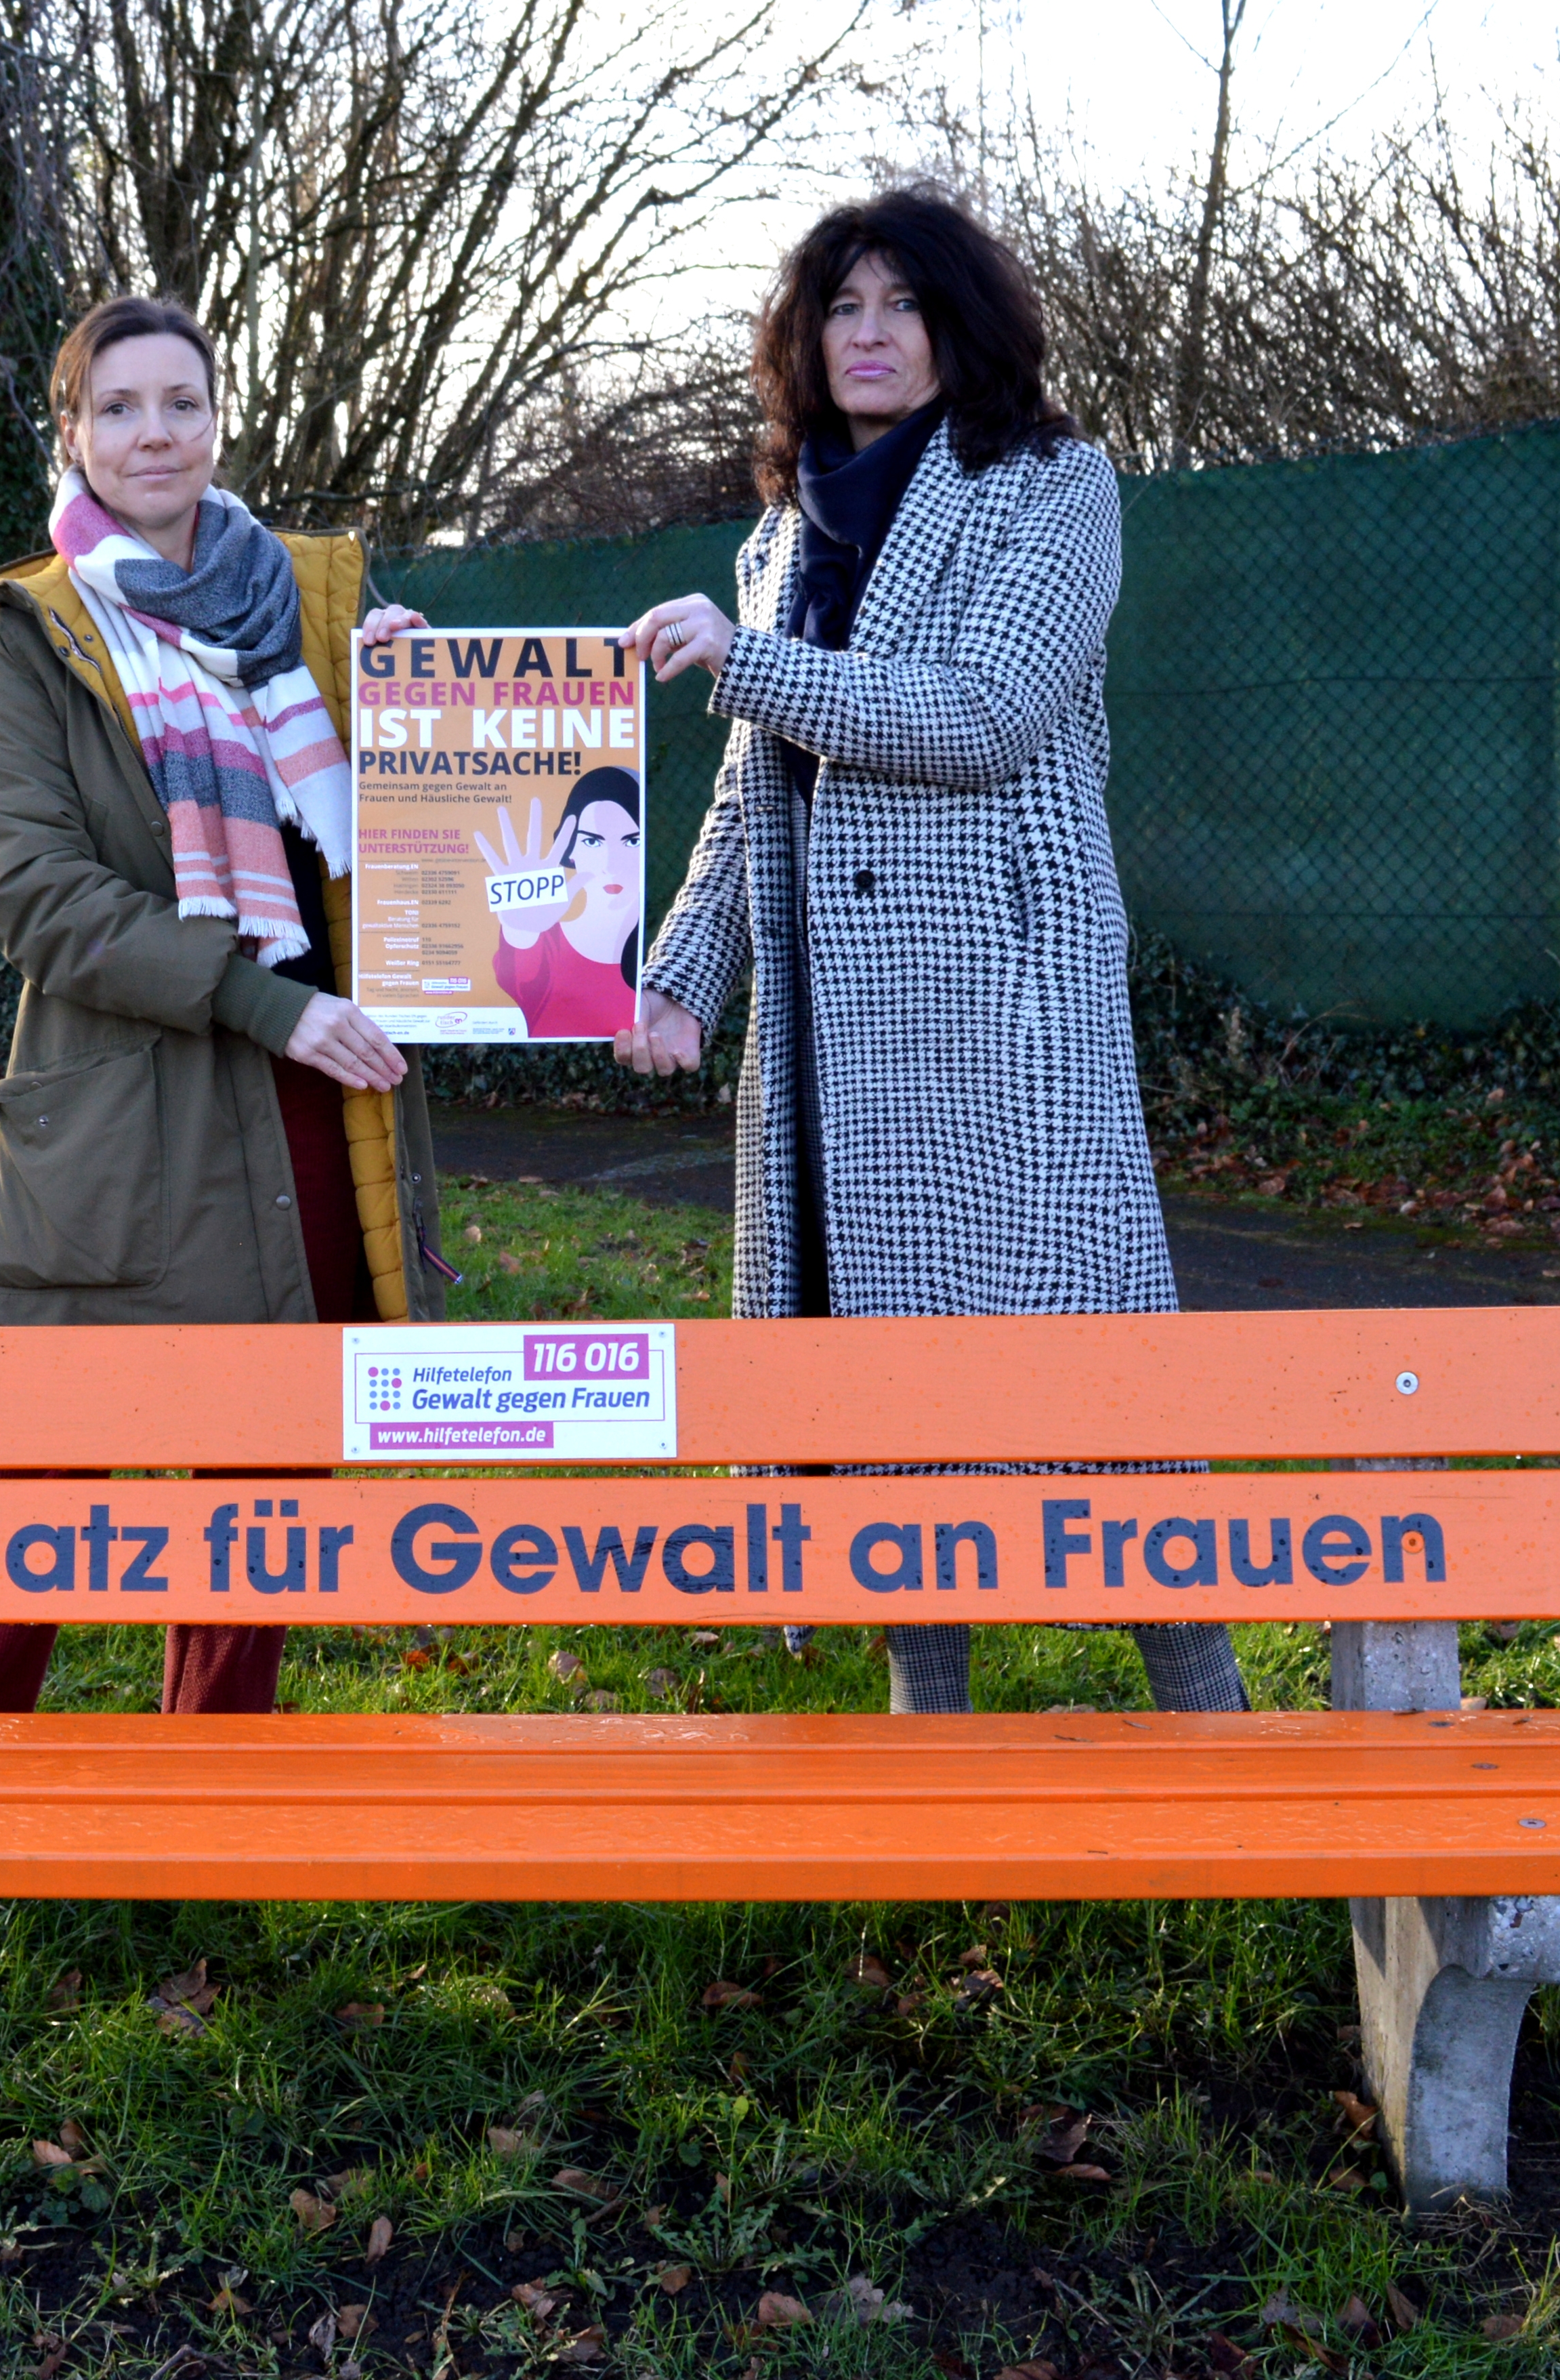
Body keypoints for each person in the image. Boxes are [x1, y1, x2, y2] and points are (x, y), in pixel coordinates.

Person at [612, 188, 1243, 1721]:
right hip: (832, 1038)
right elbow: (756, 788)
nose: (870, 332)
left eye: (901, 303)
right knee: (875, 1384)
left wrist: (746, 658)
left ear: (961, 327)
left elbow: (983, 710)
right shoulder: (779, 538)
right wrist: (683, 976)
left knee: (1092, 1394)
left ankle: (1213, 1710)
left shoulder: (1048, 486)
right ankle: (925, 1731)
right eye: (841, 307)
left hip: (999, 1022)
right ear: (802, 339)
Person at [0, 293, 450, 1720]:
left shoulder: (322, 598)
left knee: (263, 1480)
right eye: (118, 407)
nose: (154, 434)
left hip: (316, 1097)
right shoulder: (31, 632)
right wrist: (263, 1003)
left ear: (216, 417)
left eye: (179, 403)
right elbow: (33, 894)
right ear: (71, 433)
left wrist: (430, 717)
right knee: (32, 1469)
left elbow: (411, 846)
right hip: (122, 1109)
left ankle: (208, 1786)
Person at [475, 768, 644, 1038]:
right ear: (570, 850)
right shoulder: (546, 949)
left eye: (633, 841)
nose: (610, 865)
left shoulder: (670, 950)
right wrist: (521, 930)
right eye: (592, 841)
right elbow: (513, 976)